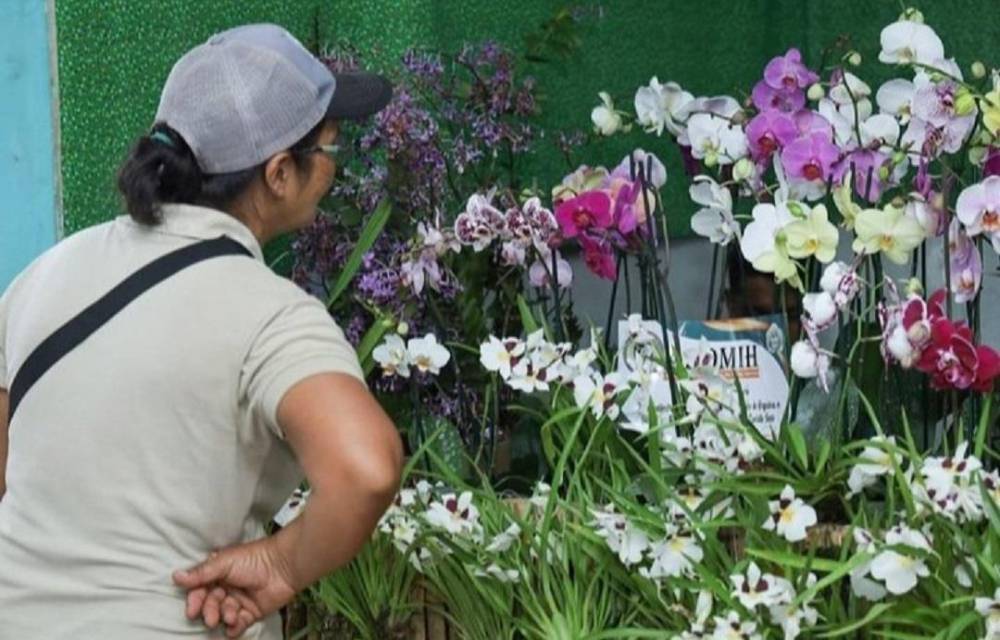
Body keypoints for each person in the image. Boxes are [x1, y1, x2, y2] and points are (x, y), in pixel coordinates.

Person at [0, 24, 402, 639]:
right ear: (279, 174)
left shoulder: (44, 275)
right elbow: (365, 468)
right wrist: (279, 564)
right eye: (329, 149)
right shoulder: (270, 314)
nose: (335, 168)